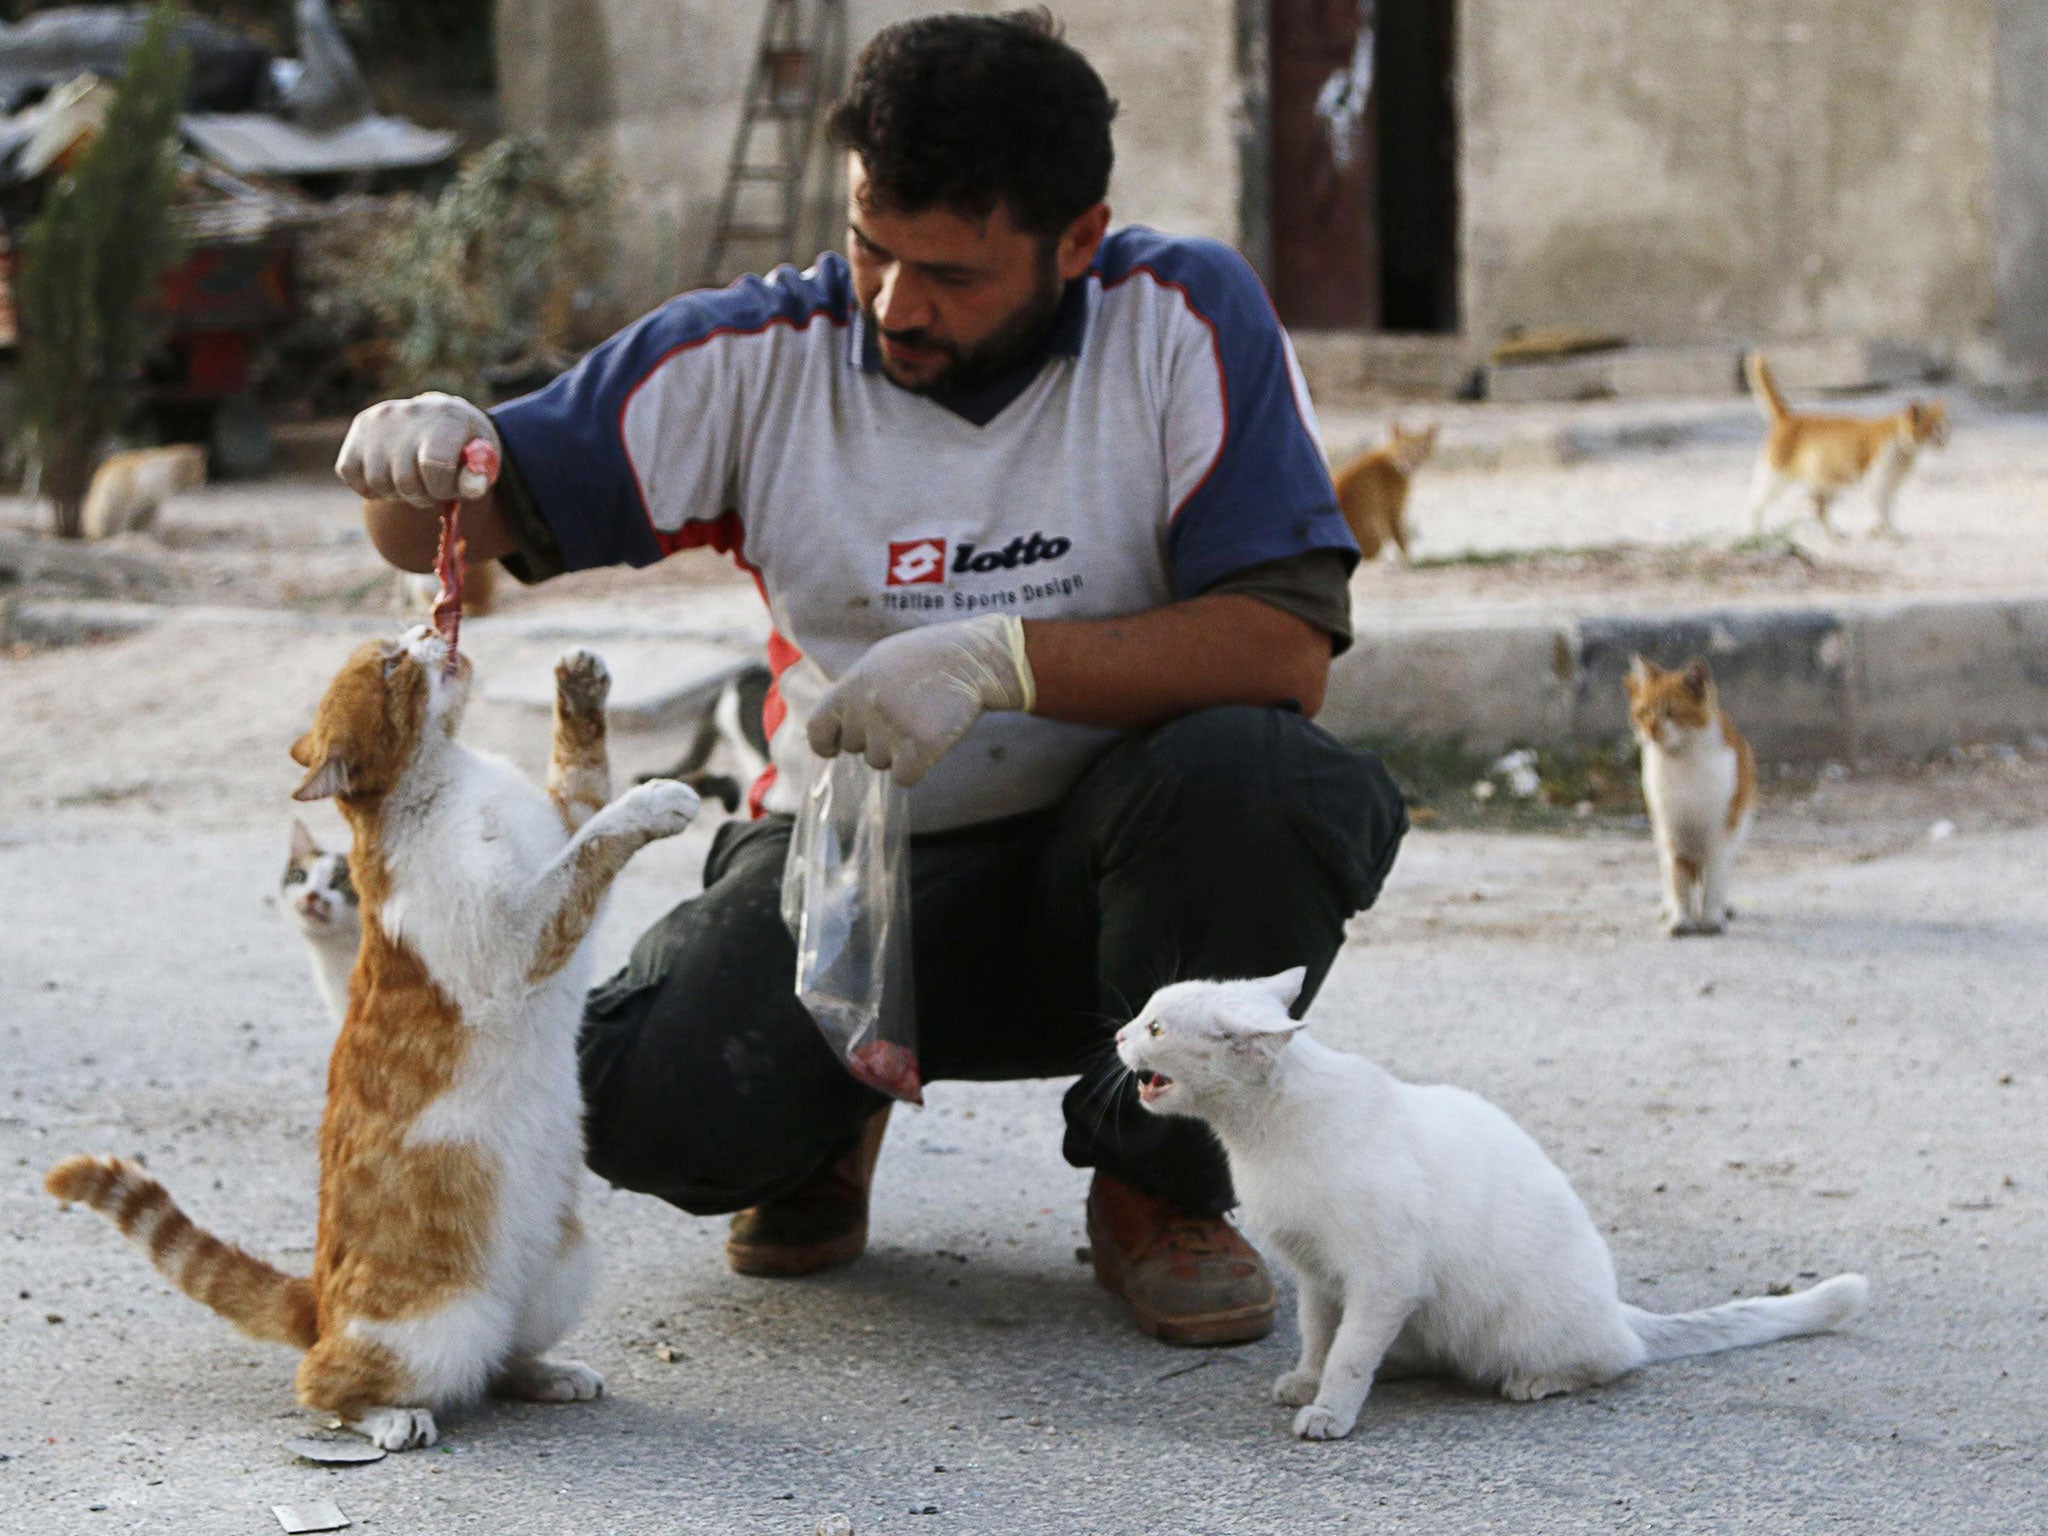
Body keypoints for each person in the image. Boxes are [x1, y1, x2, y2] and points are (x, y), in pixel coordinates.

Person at [339, 8, 1406, 1347]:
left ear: (1078, 241)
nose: (897, 305)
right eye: (870, 248)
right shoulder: (760, 356)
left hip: (1124, 878)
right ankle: (815, 1131)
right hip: (851, 885)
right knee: (635, 1093)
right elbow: (471, 507)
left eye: (952, 273)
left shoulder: (1182, 322)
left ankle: (1160, 1182)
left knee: (1261, 782)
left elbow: (1282, 649)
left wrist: (1000, 658)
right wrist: (413, 461)